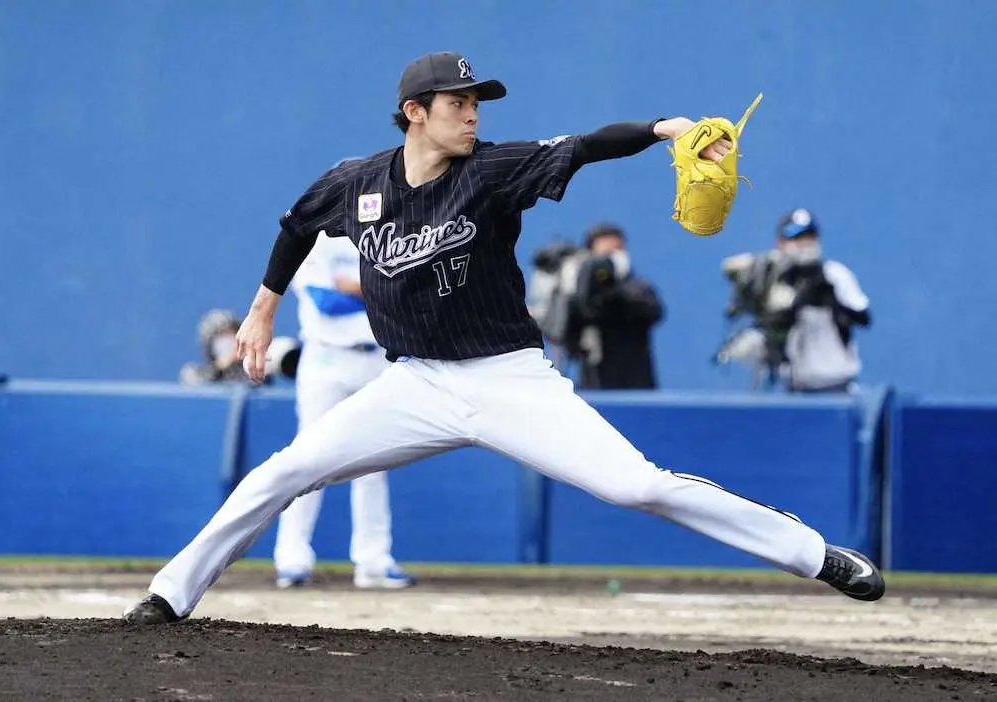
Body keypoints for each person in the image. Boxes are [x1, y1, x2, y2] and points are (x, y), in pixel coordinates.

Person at [124, 51, 884, 625]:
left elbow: (585, 146)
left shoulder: (491, 172)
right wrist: (262, 308)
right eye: (459, 102)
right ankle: (168, 596)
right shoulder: (357, 184)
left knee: (636, 485)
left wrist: (664, 132)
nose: (474, 113)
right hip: (415, 383)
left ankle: (814, 554)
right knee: (284, 472)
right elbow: (296, 227)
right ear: (415, 111)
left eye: (477, 101)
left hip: (509, 379)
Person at [274, 204, 414, 590]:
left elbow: (407, 290)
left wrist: (357, 285)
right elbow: (326, 300)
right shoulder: (314, 240)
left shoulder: (388, 237)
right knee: (308, 458)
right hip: (326, 359)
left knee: (375, 461)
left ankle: (373, 562)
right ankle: (292, 558)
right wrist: (380, 288)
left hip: (376, 358)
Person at [716, 209, 871, 393]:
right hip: (794, 387)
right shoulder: (774, 278)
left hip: (837, 386)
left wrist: (830, 300)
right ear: (781, 243)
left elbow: (863, 317)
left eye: (809, 237)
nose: (804, 245)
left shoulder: (834, 275)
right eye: (796, 238)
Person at [572, 223, 664, 389]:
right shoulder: (578, 293)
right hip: (593, 383)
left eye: (618, 250)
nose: (613, 259)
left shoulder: (639, 288)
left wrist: (616, 290)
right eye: (606, 254)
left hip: (635, 381)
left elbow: (655, 313)